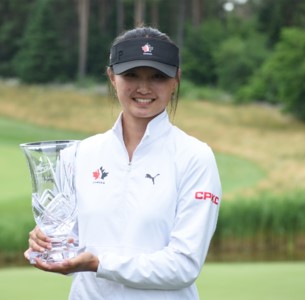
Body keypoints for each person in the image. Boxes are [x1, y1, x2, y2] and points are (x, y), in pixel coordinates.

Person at [25, 26, 222, 299]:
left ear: (176, 80)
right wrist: (47, 241)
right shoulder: (80, 153)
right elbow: (71, 244)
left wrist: (99, 264)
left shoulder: (194, 156)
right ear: (111, 77)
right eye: (130, 74)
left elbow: (183, 265)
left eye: (157, 76)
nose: (143, 87)